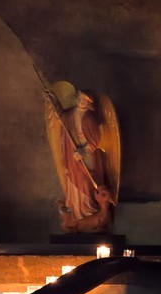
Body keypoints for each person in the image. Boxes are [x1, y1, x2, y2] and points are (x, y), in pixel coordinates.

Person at [43, 79, 121, 234]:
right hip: (72, 156)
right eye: (79, 98)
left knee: (87, 181)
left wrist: (84, 151)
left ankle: (90, 210)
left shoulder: (88, 119)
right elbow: (60, 116)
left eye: (84, 101)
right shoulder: (71, 114)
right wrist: (53, 100)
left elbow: (95, 141)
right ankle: (77, 212)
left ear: (89, 104)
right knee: (73, 181)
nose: (80, 102)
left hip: (86, 156)